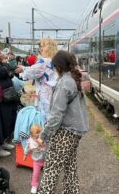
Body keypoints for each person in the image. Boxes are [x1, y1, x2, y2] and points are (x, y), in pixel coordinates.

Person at [38, 50, 89, 194]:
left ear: (59, 67)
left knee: (51, 169)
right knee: (70, 165)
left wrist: (44, 135)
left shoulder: (63, 83)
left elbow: (56, 115)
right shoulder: (73, 79)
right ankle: (72, 191)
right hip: (76, 131)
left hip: (65, 131)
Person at [15, 38, 58, 122]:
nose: (40, 49)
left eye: (42, 46)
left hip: (45, 94)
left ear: (48, 47)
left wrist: (23, 69)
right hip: (54, 93)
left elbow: (31, 72)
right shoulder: (55, 60)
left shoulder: (44, 61)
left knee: (44, 119)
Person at [23, 125, 46, 194]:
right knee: (35, 174)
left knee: (47, 173)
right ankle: (34, 186)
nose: (39, 134)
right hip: (37, 161)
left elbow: (47, 145)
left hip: (46, 159)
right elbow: (27, 148)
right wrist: (25, 154)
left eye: (40, 132)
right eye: (37, 132)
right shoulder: (31, 141)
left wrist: (41, 142)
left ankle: (45, 185)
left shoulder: (42, 138)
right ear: (32, 134)